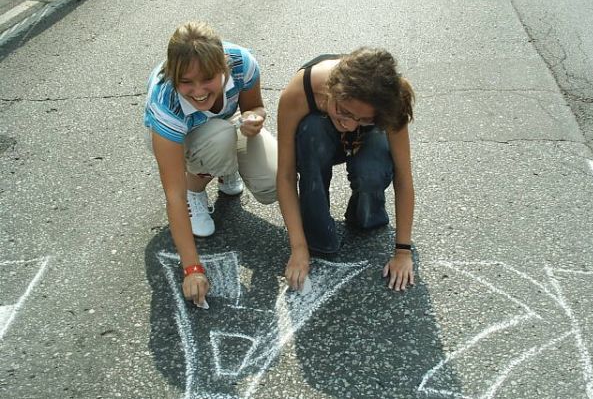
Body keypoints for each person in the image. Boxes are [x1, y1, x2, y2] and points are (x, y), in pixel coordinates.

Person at [144, 21, 277, 307]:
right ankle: (199, 187)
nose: (199, 90)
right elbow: (173, 195)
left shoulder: (243, 63)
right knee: (217, 140)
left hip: (227, 128)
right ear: (173, 75)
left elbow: (254, 106)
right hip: (183, 140)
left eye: (207, 79)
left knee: (274, 179)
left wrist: (255, 118)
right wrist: (192, 269)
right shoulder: (165, 100)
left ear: (224, 68)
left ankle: (224, 167)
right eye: (187, 82)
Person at [277, 48, 415, 292]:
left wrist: (403, 251)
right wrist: (298, 248)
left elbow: (404, 177)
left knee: (371, 173)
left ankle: (366, 211)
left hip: (367, 142)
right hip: (321, 138)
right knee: (311, 133)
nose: (350, 125)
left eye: (363, 120)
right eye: (344, 112)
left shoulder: (391, 101)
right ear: (331, 90)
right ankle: (317, 234)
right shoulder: (302, 90)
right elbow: (286, 176)